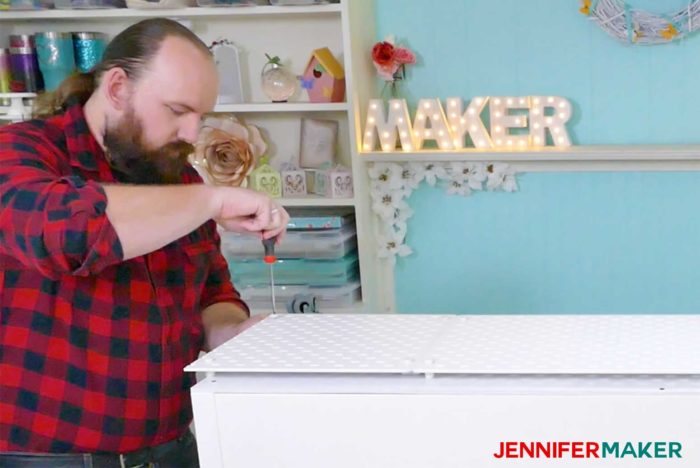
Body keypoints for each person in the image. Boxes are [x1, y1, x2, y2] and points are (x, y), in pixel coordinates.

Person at [0, 18, 289, 467]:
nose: (192, 134)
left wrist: (232, 331)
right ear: (117, 88)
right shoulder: (20, 152)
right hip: (47, 457)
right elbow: (68, 234)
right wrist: (212, 199)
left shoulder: (180, 180)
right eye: (177, 111)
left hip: (172, 448)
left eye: (201, 116)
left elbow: (212, 293)